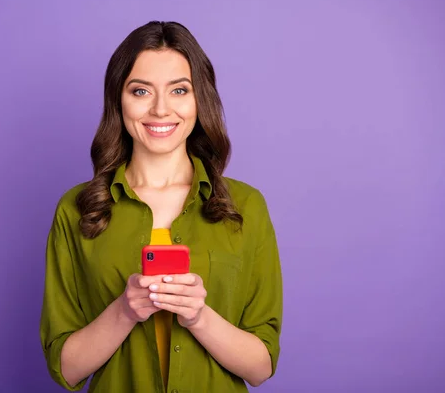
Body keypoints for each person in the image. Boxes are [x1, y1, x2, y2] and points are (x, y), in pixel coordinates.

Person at [40, 20, 283, 393]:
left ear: (199, 98)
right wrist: (124, 310)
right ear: (118, 100)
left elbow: (261, 367)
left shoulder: (245, 206)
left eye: (179, 90)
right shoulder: (76, 210)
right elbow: (67, 368)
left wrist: (198, 316)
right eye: (140, 91)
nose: (160, 109)